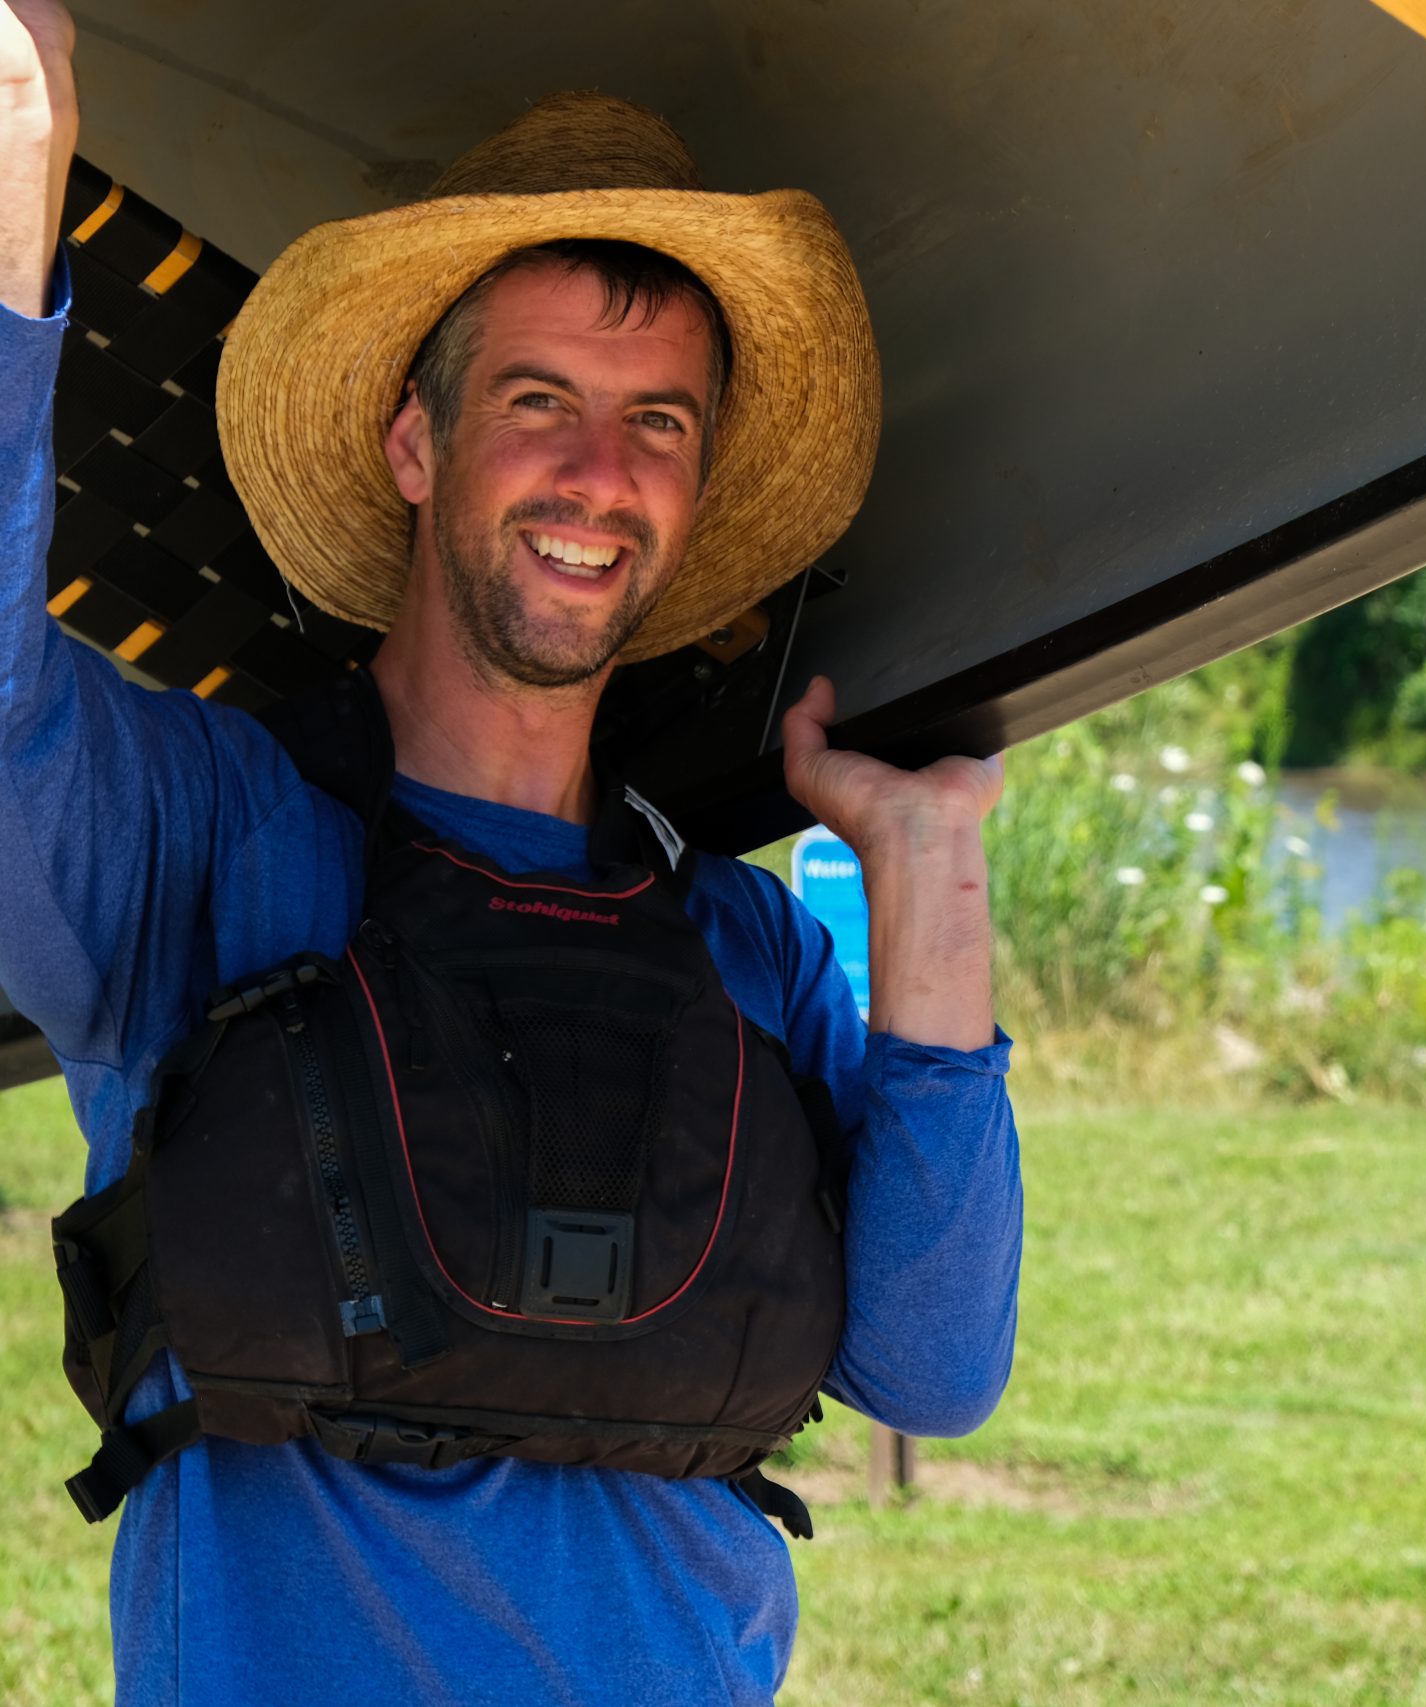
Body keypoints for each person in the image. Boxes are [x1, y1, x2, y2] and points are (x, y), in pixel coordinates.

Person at [0, 5, 1023, 1702]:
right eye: (540, 399)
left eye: (662, 424)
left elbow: (933, 1367)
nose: (598, 474)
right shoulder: (198, 850)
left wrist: (929, 879)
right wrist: (20, 218)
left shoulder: (743, 948)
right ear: (418, 443)